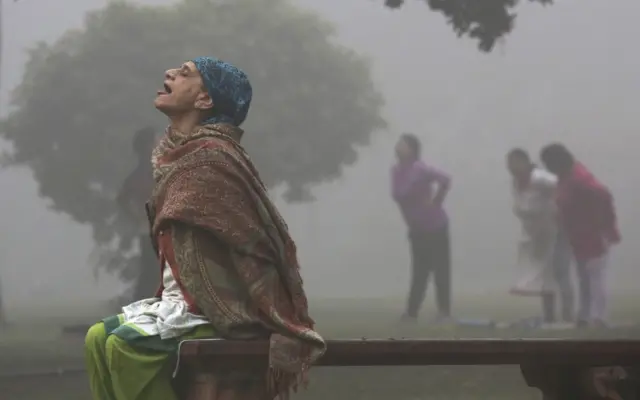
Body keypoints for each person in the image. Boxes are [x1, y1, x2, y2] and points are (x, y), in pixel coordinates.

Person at [84, 57, 326, 400]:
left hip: (218, 312)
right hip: (177, 303)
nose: (169, 72)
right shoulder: (177, 156)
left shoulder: (212, 157)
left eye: (185, 73)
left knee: (127, 347)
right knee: (97, 337)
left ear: (205, 100)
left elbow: (253, 240)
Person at [540, 143, 620, 328]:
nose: (547, 167)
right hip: (578, 235)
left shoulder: (580, 178)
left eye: (548, 163)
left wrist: (605, 227)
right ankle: (585, 315)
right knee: (583, 276)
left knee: (595, 274)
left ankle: (598, 317)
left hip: (594, 233)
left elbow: (603, 195)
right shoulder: (565, 177)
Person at [506, 148, 573, 323]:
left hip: (555, 231)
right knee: (545, 277)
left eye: (513, 163)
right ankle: (549, 316)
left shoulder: (539, 177)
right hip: (536, 236)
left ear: (525, 161)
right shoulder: (516, 182)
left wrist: (558, 209)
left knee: (559, 273)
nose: (511, 168)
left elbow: (561, 186)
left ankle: (567, 315)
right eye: (508, 165)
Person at [391, 133, 452, 322]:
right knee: (419, 271)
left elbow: (445, 179)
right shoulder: (396, 171)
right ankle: (411, 313)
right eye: (398, 143)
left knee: (440, 270)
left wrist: (436, 201)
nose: (397, 146)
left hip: (435, 226)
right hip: (416, 229)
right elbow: (399, 194)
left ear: (412, 149)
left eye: (402, 144)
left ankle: (444, 312)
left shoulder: (420, 168)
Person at [117, 126, 158, 301]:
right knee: (151, 274)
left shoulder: (157, 171)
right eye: (157, 141)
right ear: (149, 146)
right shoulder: (142, 175)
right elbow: (123, 200)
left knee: (154, 274)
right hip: (151, 231)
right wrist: (139, 218)